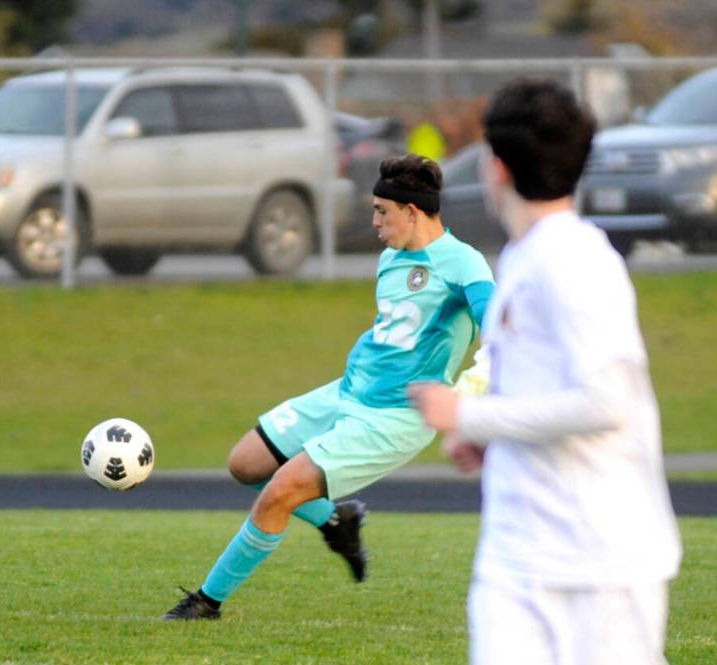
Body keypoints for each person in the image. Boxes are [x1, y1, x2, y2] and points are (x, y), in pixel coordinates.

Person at [410, 80, 682, 665]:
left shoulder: (576, 261)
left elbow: (607, 402)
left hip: (599, 566)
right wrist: (489, 437)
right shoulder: (522, 257)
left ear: (497, 167)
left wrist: (469, 413)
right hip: (521, 554)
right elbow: (547, 394)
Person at [163, 153, 495, 620]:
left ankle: (206, 601)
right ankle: (337, 521)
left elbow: (502, 336)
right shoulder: (390, 259)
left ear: (412, 211)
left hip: (394, 418)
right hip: (347, 393)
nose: (375, 222)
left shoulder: (465, 265)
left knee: (280, 492)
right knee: (246, 463)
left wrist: (464, 398)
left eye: (382, 211)